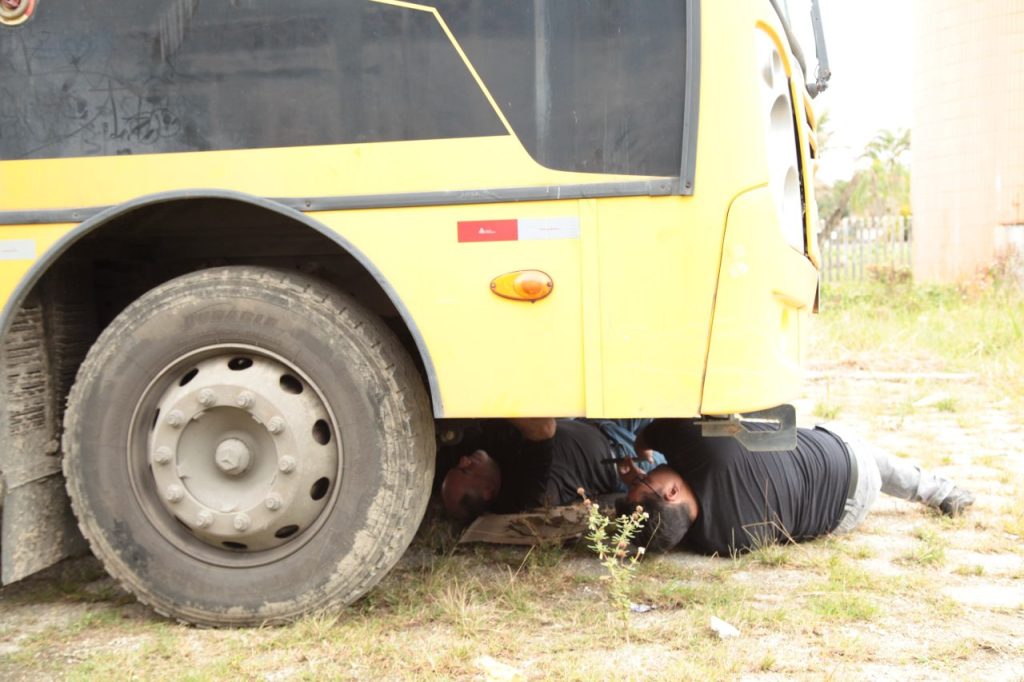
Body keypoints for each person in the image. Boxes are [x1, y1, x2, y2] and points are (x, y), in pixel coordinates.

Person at [616, 419, 976, 554]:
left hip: (840, 519)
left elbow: (670, 525)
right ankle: (936, 490)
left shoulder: (716, 543)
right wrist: (643, 450)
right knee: (788, 432)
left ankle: (934, 490)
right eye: (647, 480)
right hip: (847, 462)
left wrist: (638, 484)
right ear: (672, 493)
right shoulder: (700, 448)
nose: (646, 472)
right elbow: (651, 430)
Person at [441, 418, 665, 522]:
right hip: (625, 453)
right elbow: (544, 427)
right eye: (465, 471)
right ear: (488, 491)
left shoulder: (492, 466)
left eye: (457, 466)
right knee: (679, 434)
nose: (463, 461)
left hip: (597, 422)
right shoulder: (527, 493)